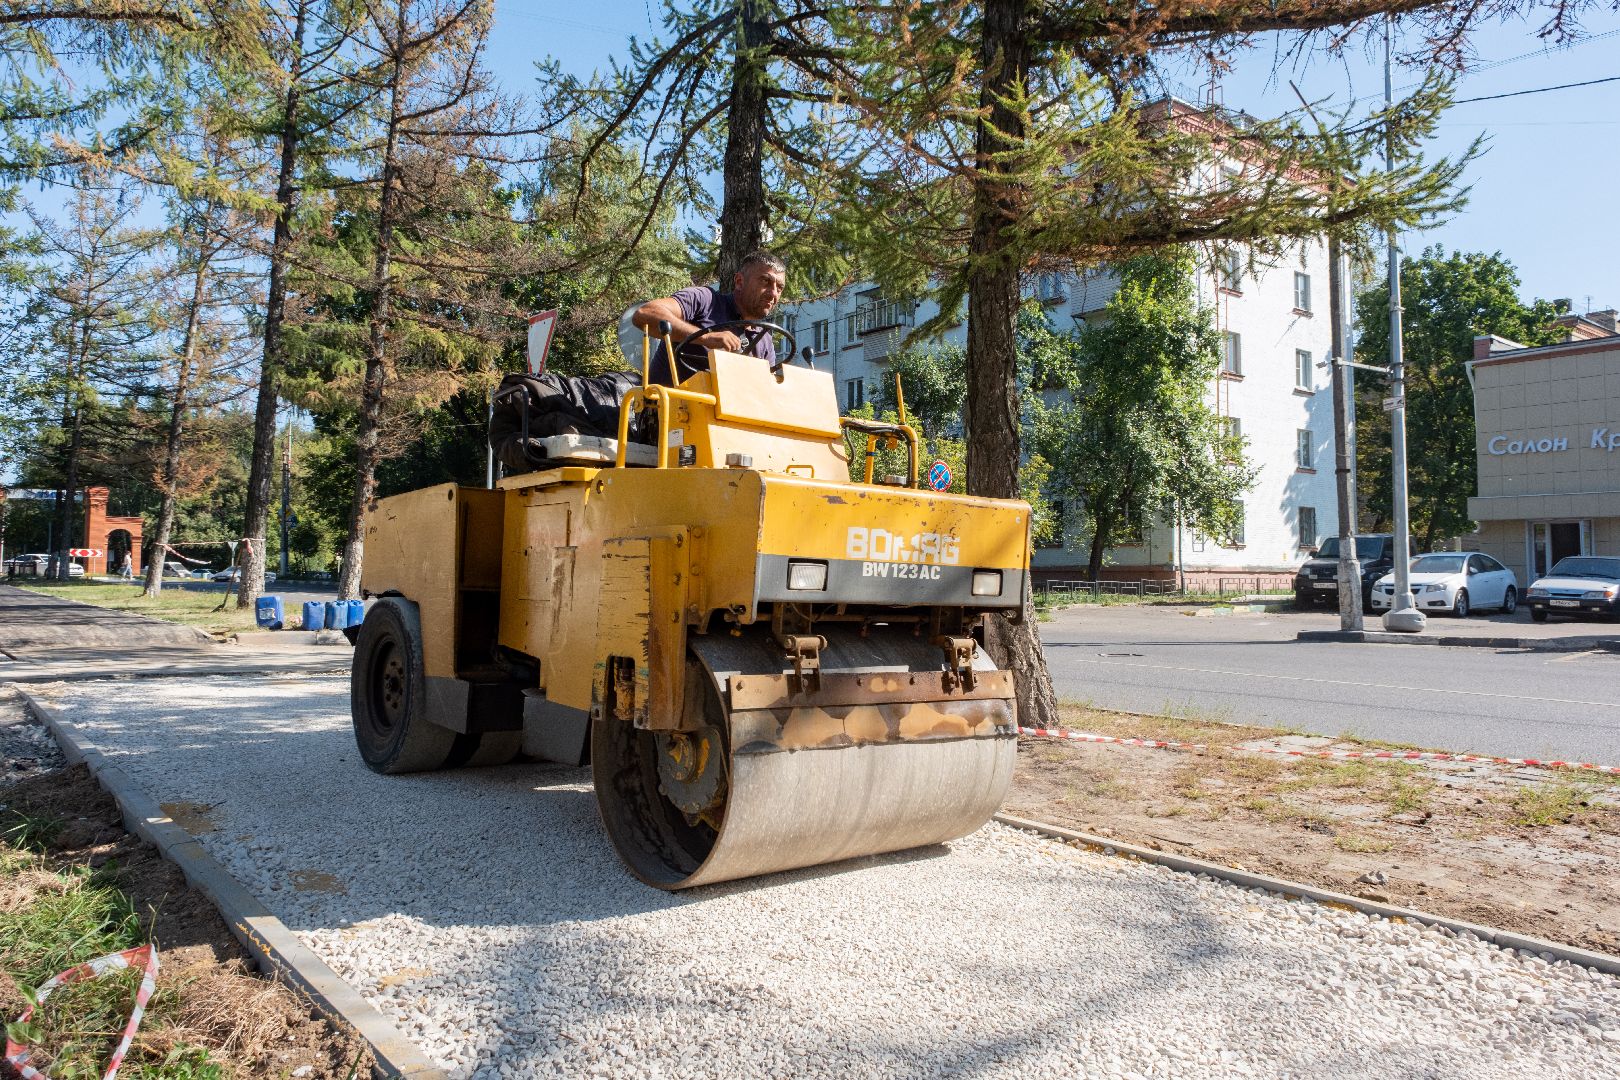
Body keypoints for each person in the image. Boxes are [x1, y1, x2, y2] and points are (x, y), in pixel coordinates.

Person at [632, 250, 787, 386]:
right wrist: (704, 337)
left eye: (779, 288)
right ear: (739, 282)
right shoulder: (704, 300)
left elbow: (764, 392)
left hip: (722, 416)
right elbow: (645, 313)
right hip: (666, 414)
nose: (773, 293)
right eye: (765, 281)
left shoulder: (764, 340)